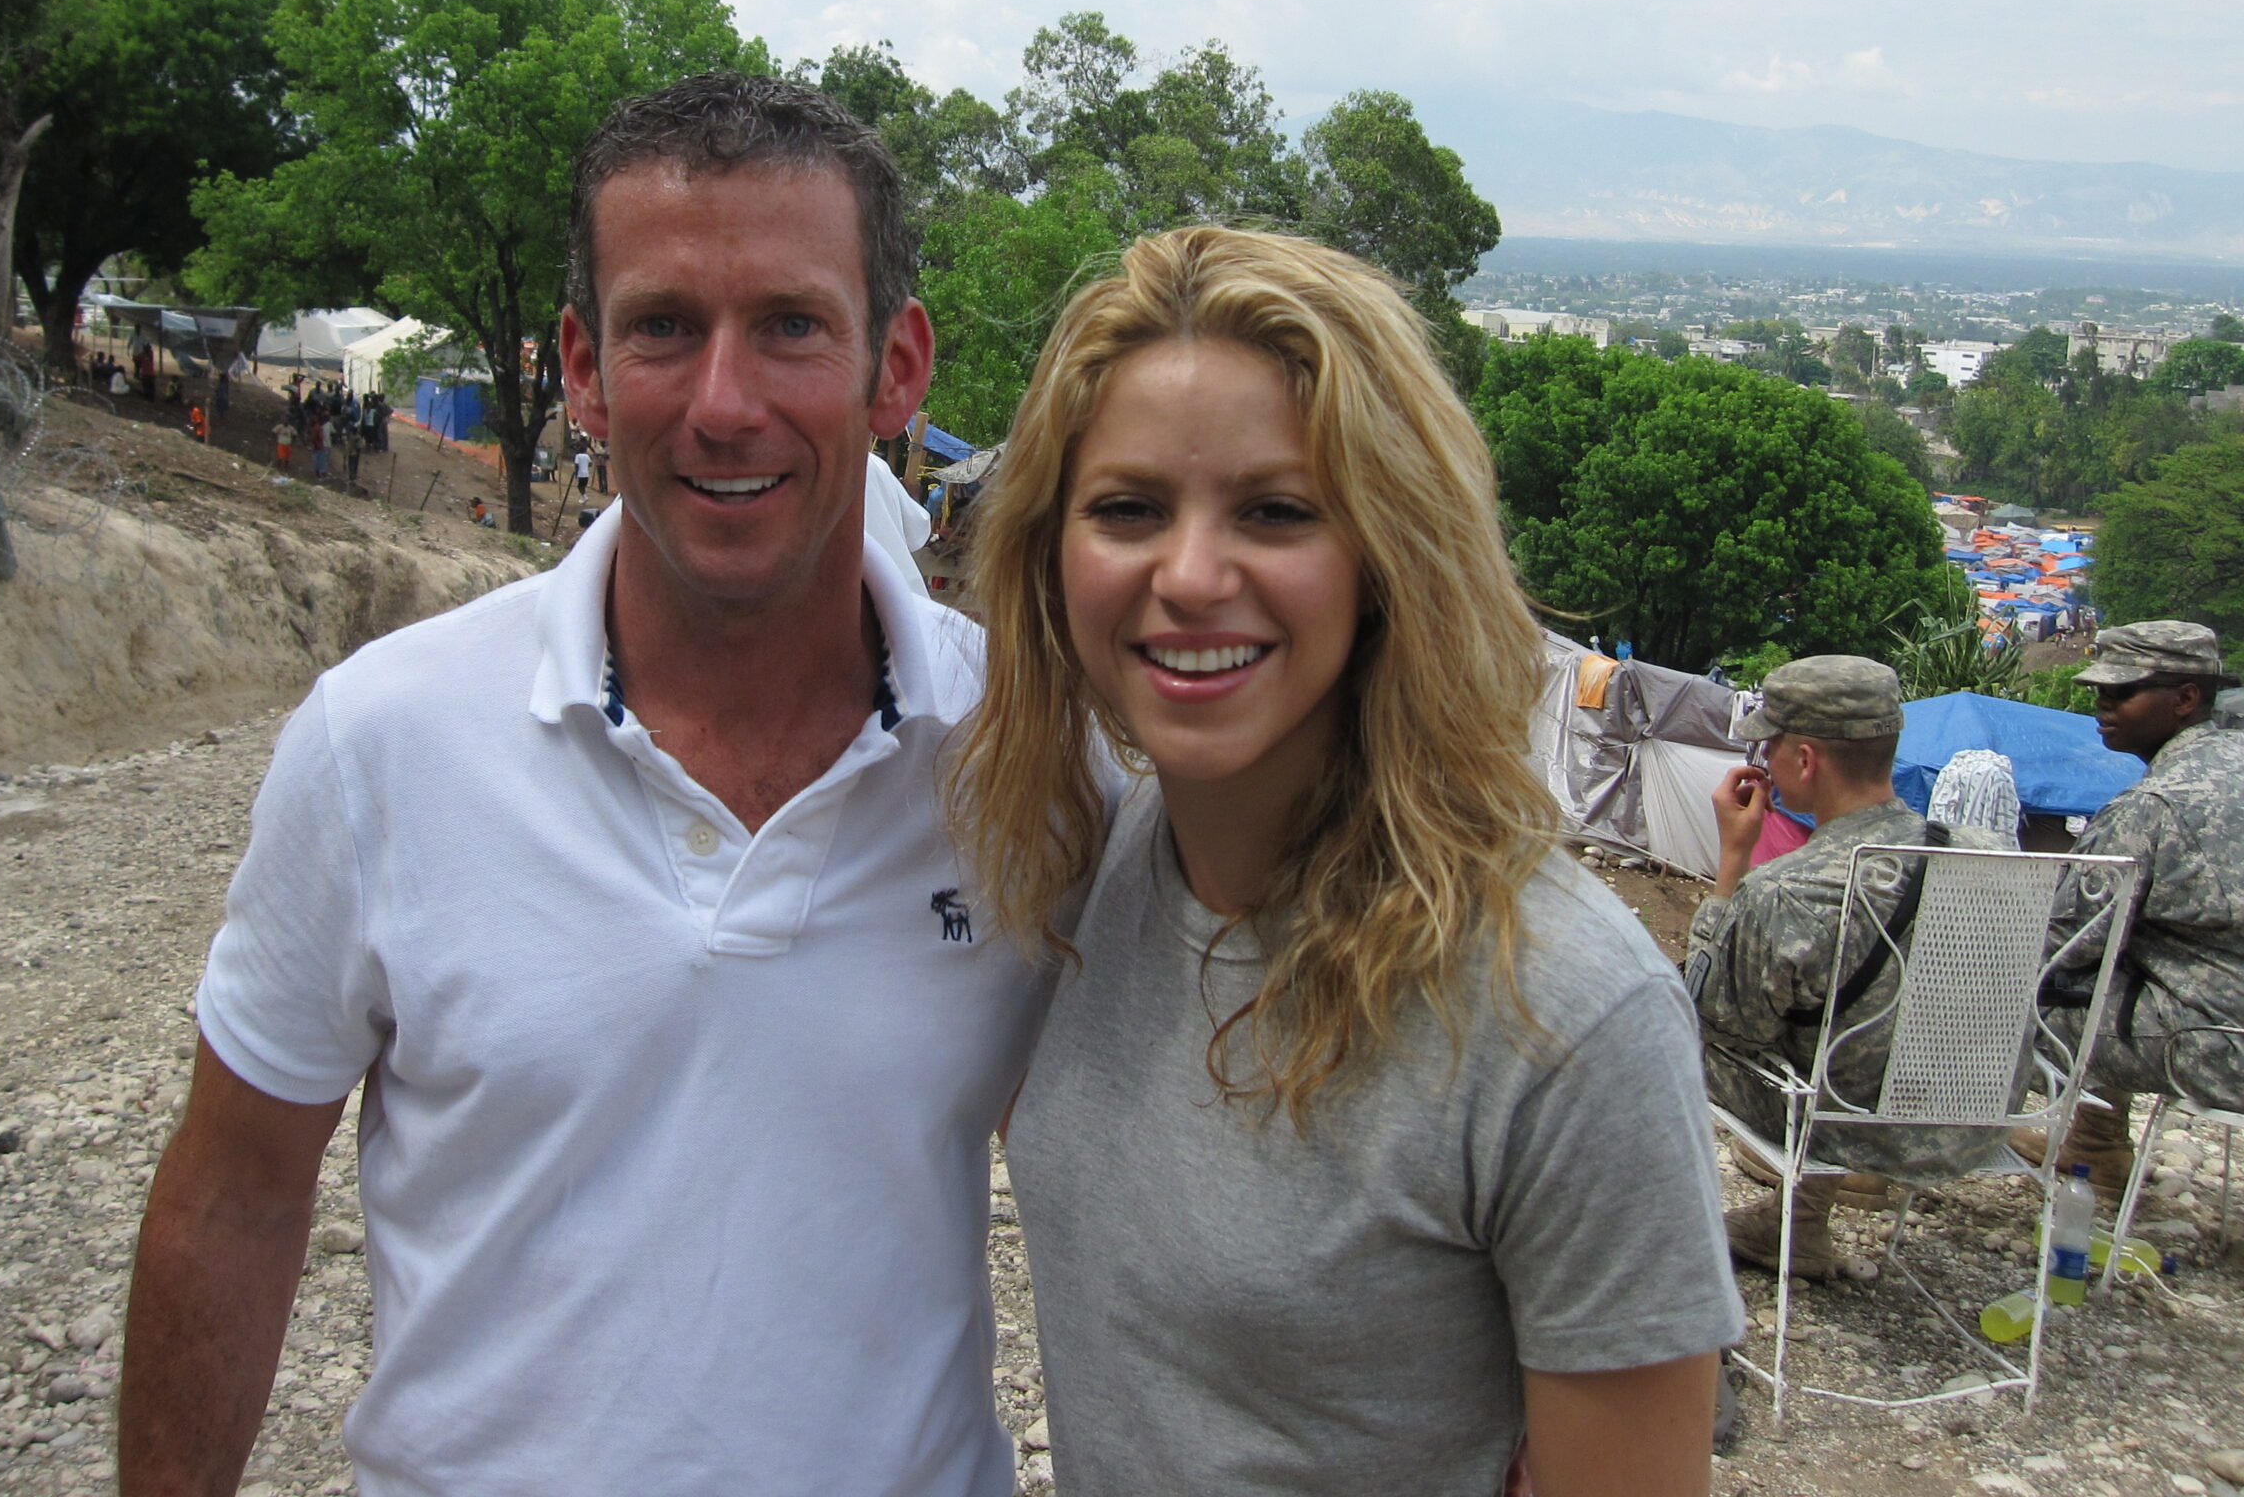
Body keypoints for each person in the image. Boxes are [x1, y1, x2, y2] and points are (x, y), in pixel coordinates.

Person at [123, 72, 1042, 1497]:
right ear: (585, 367)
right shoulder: (383, 740)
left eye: (792, 326)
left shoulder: (1024, 758)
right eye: (665, 328)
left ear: (898, 366)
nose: (724, 404)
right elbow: (237, 1191)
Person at [950, 226, 1742, 1497]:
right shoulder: (1088, 874)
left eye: (1275, 512)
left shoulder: (1565, 1018)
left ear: (1388, 556)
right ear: (1050, 556)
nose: (1191, 576)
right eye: (1128, 509)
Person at [1690, 656, 2009, 1279]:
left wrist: (1734, 859)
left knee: (1668, 1029)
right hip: (1976, 1119)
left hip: (1850, 1131)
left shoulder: (1787, 888)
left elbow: (1710, 1014)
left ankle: (1657, 1241)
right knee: (1840, 1018)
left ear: (1804, 761)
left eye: (1770, 748)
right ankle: (1796, 1223)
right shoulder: (1994, 855)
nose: (1766, 761)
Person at [2044, 621, 2244, 1201]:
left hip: (2216, 1046)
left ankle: (1878, 1161)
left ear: (2185, 698)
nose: (2103, 707)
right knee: (2125, 971)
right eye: (2099, 693)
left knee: (1985, 1000)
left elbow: (2065, 942)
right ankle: (2094, 1144)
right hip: (2218, 1016)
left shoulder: (2152, 806)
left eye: (2122, 693)